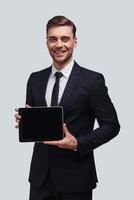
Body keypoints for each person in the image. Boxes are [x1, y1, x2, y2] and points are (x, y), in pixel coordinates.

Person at [15, 16, 120, 200]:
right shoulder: (35, 79)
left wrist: (78, 143)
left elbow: (112, 126)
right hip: (41, 177)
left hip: (76, 177)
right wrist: (25, 123)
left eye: (65, 38)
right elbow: (38, 122)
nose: (58, 44)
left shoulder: (92, 81)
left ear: (75, 41)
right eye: (53, 39)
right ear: (46, 42)